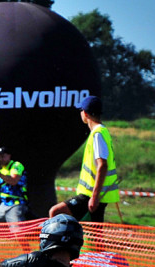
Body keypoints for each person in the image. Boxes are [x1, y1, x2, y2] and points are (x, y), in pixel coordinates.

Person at [49, 95, 119, 223]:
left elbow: (102, 165)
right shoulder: (102, 132)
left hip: (91, 195)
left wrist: (94, 197)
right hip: (95, 195)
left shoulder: (97, 134)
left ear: (85, 113)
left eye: (81, 110)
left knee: (55, 212)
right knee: (95, 235)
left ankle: (60, 242)